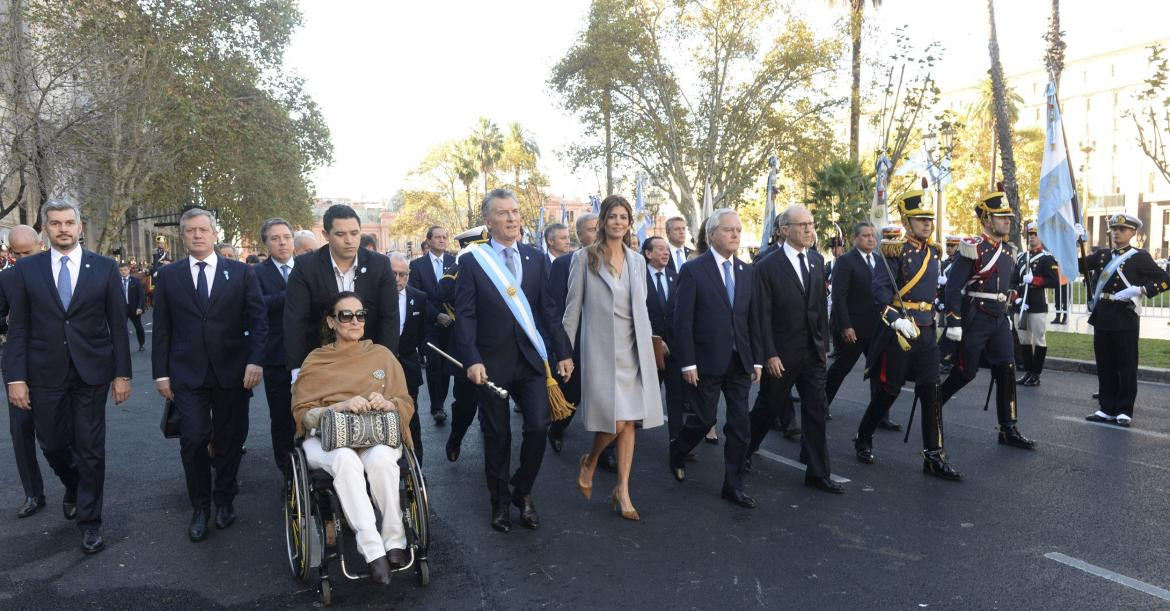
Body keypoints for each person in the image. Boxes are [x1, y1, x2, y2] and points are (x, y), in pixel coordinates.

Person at [3, 201, 132, 554]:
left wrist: (122, 374)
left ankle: (90, 523)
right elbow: (19, 328)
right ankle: (73, 485)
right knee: (53, 444)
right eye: (55, 223)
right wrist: (16, 378)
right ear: (45, 228)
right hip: (43, 373)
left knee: (90, 449)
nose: (63, 228)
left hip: (92, 373)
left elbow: (118, 327)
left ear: (80, 227)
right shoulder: (26, 270)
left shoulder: (104, 268)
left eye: (69, 222)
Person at [453, 188, 572, 533]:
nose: (512, 218)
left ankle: (522, 490)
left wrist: (562, 351)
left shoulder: (535, 258)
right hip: (490, 364)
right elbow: (466, 316)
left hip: (531, 362)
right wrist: (471, 359)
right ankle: (500, 502)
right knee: (498, 435)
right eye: (504, 213)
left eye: (516, 212)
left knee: (538, 426)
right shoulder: (474, 261)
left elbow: (548, 310)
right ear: (488, 221)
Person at [152, 208, 267, 541]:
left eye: (203, 229)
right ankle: (200, 507)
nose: (197, 235)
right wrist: (161, 373)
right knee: (193, 440)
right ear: (183, 236)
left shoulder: (242, 273)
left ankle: (225, 500)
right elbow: (162, 329)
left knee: (230, 441)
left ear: (215, 234)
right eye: (190, 230)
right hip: (187, 373)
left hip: (233, 371)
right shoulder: (170, 276)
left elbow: (258, 321)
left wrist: (255, 360)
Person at [293, 291, 416, 584]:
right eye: (346, 315)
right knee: (346, 459)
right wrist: (335, 407)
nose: (354, 320)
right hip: (326, 440)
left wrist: (389, 404)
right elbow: (302, 414)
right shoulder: (316, 360)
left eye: (360, 315)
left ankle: (395, 542)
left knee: (383, 459)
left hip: (374, 433)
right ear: (331, 322)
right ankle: (373, 550)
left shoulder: (381, 356)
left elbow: (405, 401)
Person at [564, 196, 663, 521]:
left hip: (633, 350)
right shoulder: (583, 258)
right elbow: (572, 309)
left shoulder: (636, 261)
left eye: (624, 217)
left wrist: (651, 346)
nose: (618, 222)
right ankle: (590, 461)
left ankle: (623, 490)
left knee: (630, 421)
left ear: (628, 223)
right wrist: (565, 352)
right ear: (604, 221)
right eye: (613, 216)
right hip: (602, 351)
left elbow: (642, 306)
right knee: (616, 420)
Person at [853, 193, 961, 480]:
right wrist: (896, 320)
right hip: (900, 332)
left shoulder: (935, 252)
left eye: (929, 220)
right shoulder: (893, 252)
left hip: (926, 331)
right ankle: (864, 435)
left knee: (931, 391)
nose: (927, 225)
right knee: (889, 390)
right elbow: (880, 295)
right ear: (907, 221)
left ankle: (934, 456)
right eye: (921, 220)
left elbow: (933, 293)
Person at [746, 205, 843, 495]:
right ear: (784, 230)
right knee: (768, 406)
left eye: (811, 224)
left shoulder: (816, 260)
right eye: (802, 225)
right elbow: (760, 314)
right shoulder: (766, 265)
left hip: (812, 353)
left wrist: (824, 345)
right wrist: (769, 353)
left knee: (816, 410)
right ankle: (744, 448)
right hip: (781, 354)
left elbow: (819, 310)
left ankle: (818, 472)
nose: (809, 230)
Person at [668, 209, 760, 507]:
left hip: (739, 363)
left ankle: (733, 485)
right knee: (704, 418)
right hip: (706, 362)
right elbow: (682, 321)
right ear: (711, 235)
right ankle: (678, 449)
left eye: (738, 229)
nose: (736, 234)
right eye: (728, 230)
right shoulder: (694, 270)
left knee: (739, 425)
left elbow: (753, 320)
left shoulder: (747, 271)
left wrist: (757, 359)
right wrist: (688, 363)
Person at [938, 192, 1035, 449]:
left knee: (1007, 368)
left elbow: (1009, 281)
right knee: (965, 372)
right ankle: (934, 404)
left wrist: (1012, 295)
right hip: (976, 316)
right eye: (1001, 217)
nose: (1007, 222)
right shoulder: (972, 247)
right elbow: (953, 287)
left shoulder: (1008, 251)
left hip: (999, 319)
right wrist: (954, 321)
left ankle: (1008, 427)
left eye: (1008, 217)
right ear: (986, 219)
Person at [284, 204, 398, 378]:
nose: (349, 240)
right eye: (340, 234)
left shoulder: (380, 265)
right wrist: (298, 369)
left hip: (369, 359)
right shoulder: (305, 267)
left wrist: (385, 362)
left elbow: (389, 317)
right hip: (320, 362)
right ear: (325, 235)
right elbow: (295, 319)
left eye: (354, 233)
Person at [1080, 213, 1170, 426]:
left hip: (1125, 316)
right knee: (1105, 364)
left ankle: (1124, 409)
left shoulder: (1140, 257)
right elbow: (1076, 264)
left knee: (1126, 365)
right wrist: (1075, 240)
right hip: (1103, 315)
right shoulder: (1102, 255)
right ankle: (1106, 407)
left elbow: (1165, 279)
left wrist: (1140, 289)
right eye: (1114, 229)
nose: (1117, 233)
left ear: (1132, 233)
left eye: (1122, 230)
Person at [826, 222, 897, 429]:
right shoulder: (846, 261)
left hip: (877, 327)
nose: (871, 239)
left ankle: (881, 416)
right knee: (841, 368)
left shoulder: (879, 260)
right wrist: (846, 326)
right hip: (853, 329)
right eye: (865, 236)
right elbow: (839, 297)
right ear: (855, 238)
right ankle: (820, 405)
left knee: (879, 372)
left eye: (873, 236)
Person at [545, 213, 604, 459]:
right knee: (572, 395)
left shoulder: (619, 261)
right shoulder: (564, 264)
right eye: (591, 229)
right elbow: (557, 308)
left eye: (599, 228)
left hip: (608, 343)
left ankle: (607, 451)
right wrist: (560, 350)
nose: (597, 232)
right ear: (579, 236)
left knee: (607, 397)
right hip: (576, 342)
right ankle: (557, 428)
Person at [2, 225, 47, 518]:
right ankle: (33, 493)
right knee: (20, 431)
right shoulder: (5, 278)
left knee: (60, 434)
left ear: (40, 245)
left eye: (26, 252)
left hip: (54, 364)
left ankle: (74, 484)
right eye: (16, 254)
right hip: (17, 365)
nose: (21, 259)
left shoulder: (56, 271)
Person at [437, 227, 488, 462]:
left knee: (495, 402)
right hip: (467, 346)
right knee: (466, 403)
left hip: (496, 345)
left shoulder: (501, 266)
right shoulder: (457, 270)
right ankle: (456, 436)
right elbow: (443, 292)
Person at [254, 218, 299, 480]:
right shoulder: (256, 274)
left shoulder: (307, 268)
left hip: (311, 356)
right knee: (282, 419)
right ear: (266, 243)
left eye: (286, 236)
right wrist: (291, 292)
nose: (282, 242)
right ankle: (288, 475)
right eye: (275, 238)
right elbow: (259, 306)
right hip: (276, 358)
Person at [407, 226, 455, 425]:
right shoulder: (417, 265)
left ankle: (442, 401)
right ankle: (437, 408)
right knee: (434, 365)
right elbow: (418, 295)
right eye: (438, 237)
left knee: (447, 368)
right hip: (429, 325)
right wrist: (437, 316)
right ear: (428, 241)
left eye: (445, 237)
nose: (442, 240)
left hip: (452, 324)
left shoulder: (455, 262)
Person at [642, 236, 685, 444]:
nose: (666, 253)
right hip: (648, 347)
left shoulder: (676, 277)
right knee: (643, 393)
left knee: (675, 397)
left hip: (675, 349)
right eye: (660, 249)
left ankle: (677, 443)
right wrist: (654, 338)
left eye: (667, 249)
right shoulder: (638, 278)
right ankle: (620, 437)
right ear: (648, 254)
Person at [390, 251, 430, 462]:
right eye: (394, 274)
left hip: (408, 367)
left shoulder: (418, 297)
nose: (398, 279)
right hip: (380, 368)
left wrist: (424, 355)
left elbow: (423, 332)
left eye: (403, 274)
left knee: (411, 417)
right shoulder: (373, 298)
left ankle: (416, 465)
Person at [1013, 222, 1061, 386]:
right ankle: (1028, 371)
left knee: (1039, 339)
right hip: (1021, 305)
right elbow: (1013, 280)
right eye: (1030, 234)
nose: (1032, 237)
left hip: (1037, 304)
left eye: (1035, 234)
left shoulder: (1047, 258)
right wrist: (1015, 298)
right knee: (1024, 340)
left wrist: (1035, 280)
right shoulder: (1021, 257)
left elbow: (1054, 281)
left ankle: (1036, 373)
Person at [119, 261, 146, 352]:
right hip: (122, 309)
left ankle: (141, 344)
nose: (123, 272)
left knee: (138, 327)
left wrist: (140, 307)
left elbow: (141, 295)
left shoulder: (135, 281)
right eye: (121, 270)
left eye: (125, 270)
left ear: (129, 270)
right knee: (121, 329)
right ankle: (123, 347)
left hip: (134, 308)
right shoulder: (116, 282)